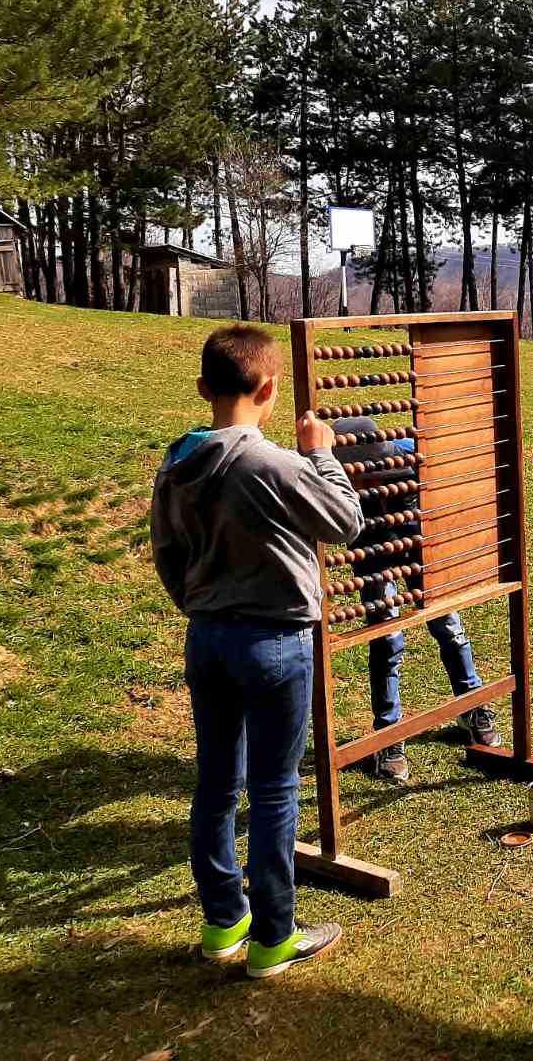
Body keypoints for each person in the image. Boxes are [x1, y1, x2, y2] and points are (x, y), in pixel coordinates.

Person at [151, 324, 363, 978]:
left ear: (203, 388)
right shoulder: (274, 464)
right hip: (274, 641)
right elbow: (346, 522)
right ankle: (275, 936)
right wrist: (321, 454)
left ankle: (224, 922)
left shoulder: (176, 463)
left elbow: (167, 553)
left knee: (216, 785)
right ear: (269, 389)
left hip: (207, 637)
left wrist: (199, 607)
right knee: (275, 790)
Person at [331, 416, 500, 785]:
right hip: (374, 552)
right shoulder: (337, 485)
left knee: (448, 624)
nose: (363, 483)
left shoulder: (410, 457)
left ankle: (472, 706)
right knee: (387, 638)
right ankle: (388, 734)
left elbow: (455, 469)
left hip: (422, 545)